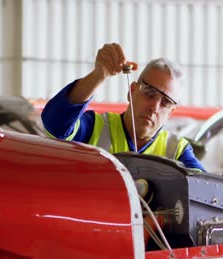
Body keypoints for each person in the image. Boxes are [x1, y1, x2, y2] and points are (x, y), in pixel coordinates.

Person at [42, 43, 205, 171]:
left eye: (165, 103)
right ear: (131, 91)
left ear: (171, 113)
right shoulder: (95, 127)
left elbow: (210, 192)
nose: (154, 107)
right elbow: (55, 125)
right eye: (149, 93)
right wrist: (98, 75)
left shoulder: (177, 151)